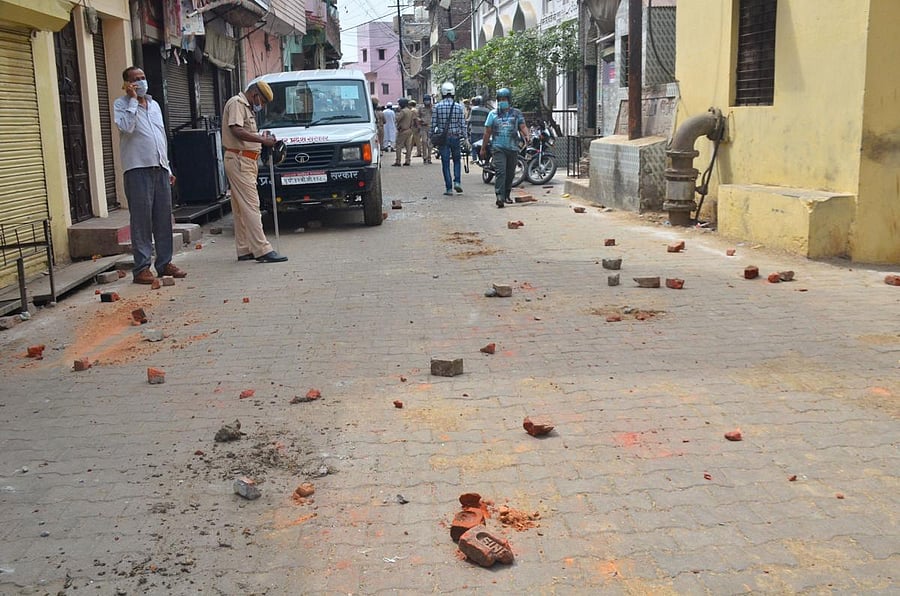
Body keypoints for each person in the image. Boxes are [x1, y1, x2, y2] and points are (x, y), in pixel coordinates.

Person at [113, 66, 187, 284]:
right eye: (136, 79)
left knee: (163, 219)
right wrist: (133, 100)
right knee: (141, 221)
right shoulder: (121, 105)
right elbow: (127, 128)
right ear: (127, 84)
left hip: (160, 168)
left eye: (143, 77)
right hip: (137, 169)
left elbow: (160, 136)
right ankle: (142, 268)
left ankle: (165, 263)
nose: (141, 82)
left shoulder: (154, 105)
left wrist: (168, 167)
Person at [222, 80, 287, 263]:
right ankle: (262, 249)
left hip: (245, 160)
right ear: (255, 95)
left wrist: (262, 139)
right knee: (252, 205)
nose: (262, 105)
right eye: (263, 101)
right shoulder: (237, 103)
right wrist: (261, 140)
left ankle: (244, 248)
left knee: (241, 208)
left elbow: (246, 133)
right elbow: (236, 130)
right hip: (239, 159)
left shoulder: (247, 108)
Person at [481, 87, 529, 208]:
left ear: (509, 100)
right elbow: (487, 132)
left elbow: (522, 126)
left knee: (510, 173)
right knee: (500, 172)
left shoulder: (516, 113)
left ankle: (507, 194)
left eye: (505, 99)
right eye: (500, 99)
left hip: (512, 148)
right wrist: (483, 147)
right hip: (498, 147)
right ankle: (499, 197)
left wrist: (527, 135)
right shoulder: (493, 114)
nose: (503, 101)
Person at [432, 82, 466, 196]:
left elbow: (433, 124)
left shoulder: (437, 106)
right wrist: (466, 138)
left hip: (443, 139)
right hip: (455, 137)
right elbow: (463, 124)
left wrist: (431, 137)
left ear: (442, 93)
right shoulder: (458, 107)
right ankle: (457, 182)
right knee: (457, 160)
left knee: (445, 163)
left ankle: (449, 188)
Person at [393, 98, 414, 167]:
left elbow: (397, 119)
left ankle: (398, 161)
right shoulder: (410, 111)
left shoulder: (403, 111)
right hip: (409, 130)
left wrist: (397, 113)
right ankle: (408, 161)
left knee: (398, 146)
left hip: (402, 131)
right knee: (408, 146)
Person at [417, 94, 433, 164]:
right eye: (426, 100)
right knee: (424, 142)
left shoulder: (433, 108)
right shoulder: (421, 108)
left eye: (428, 100)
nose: (427, 102)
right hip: (423, 127)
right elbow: (417, 116)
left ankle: (429, 158)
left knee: (430, 143)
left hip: (431, 127)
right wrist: (420, 120)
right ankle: (425, 157)